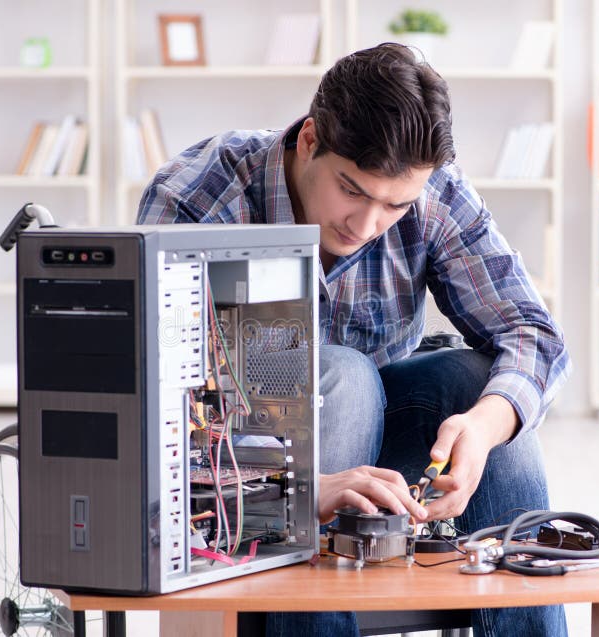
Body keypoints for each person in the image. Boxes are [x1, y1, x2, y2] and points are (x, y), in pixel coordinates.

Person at [138, 42, 571, 637]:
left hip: (390, 458)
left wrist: (486, 424)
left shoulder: (436, 193)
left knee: (482, 390)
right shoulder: (200, 198)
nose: (366, 226)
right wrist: (299, 488)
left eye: (395, 205)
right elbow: (156, 397)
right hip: (239, 478)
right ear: (310, 139)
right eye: (352, 190)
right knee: (343, 374)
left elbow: (532, 333)